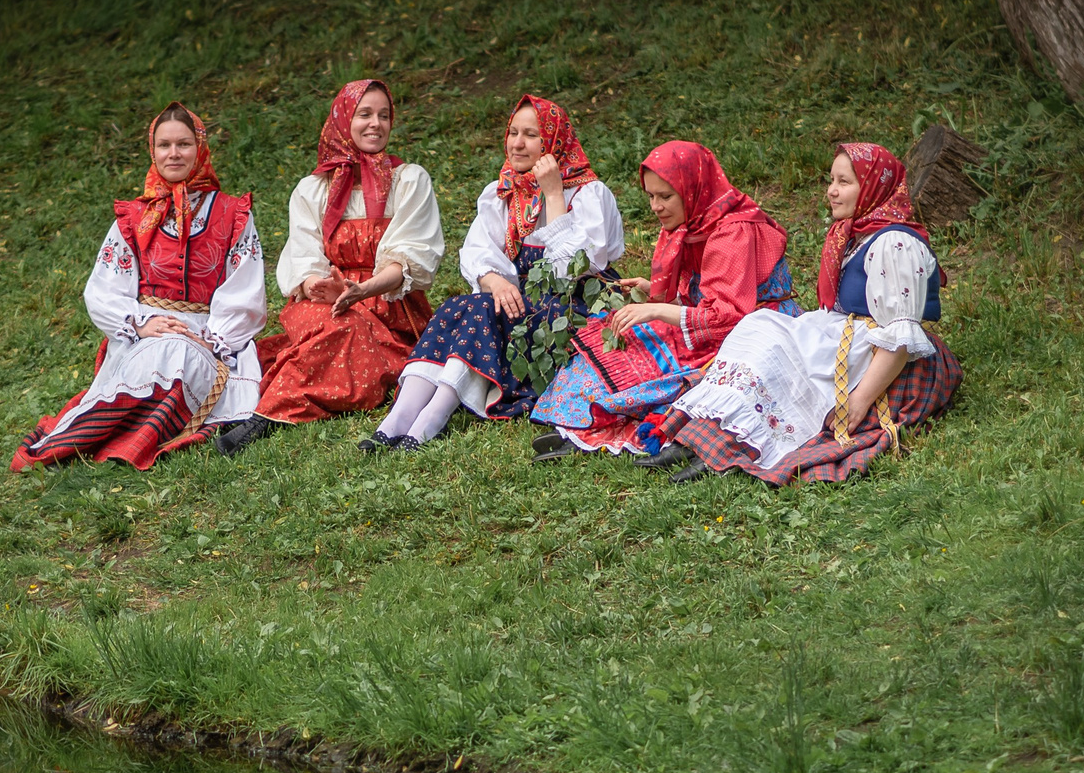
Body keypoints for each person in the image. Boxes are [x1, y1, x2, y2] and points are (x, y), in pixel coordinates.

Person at [652, 141, 959, 485]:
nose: (832, 191)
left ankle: (727, 452)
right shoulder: (857, 232)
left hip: (877, 351)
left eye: (844, 182)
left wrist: (858, 401)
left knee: (782, 362)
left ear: (874, 187)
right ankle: (705, 441)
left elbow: (900, 338)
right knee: (759, 331)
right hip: (843, 331)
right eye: (832, 180)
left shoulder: (896, 245)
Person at [12, 104, 265, 471]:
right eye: (165, 145)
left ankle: (131, 438)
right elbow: (103, 289)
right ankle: (91, 436)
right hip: (144, 330)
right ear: (153, 151)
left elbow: (246, 288)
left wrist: (213, 338)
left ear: (201, 149)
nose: (174, 154)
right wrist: (140, 324)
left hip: (206, 333)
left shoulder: (232, 213)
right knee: (162, 354)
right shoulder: (133, 219)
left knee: (179, 355)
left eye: (184, 144)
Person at [368, 95, 625, 451]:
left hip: (571, 310)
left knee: (482, 312)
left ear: (554, 142)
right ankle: (399, 418)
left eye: (532, 135)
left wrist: (553, 194)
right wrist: (493, 279)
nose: (517, 144)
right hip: (522, 303)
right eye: (513, 133)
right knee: (463, 307)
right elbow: (477, 251)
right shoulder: (502, 193)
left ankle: (429, 421)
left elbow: (576, 268)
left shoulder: (588, 193)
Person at [222, 80, 446, 455]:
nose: (376, 123)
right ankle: (266, 413)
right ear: (344, 120)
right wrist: (317, 287)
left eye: (384, 115)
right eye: (365, 114)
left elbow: (410, 256)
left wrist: (363, 290)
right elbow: (305, 258)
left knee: (349, 336)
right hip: (325, 300)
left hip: (388, 304)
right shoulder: (313, 189)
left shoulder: (409, 180)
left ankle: (262, 414)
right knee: (341, 326)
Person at [528, 140, 788, 461]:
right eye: (650, 196)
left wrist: (655, 308)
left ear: (693, 189)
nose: (656, 206)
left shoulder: (733, 232)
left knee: (673, 370)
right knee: (617, 335)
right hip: (710, 324)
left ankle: (600, 428)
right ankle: (577, 427)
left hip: (755, 329)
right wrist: (652, 290)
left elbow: (728, 315)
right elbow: (704, 294)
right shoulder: (690, 224)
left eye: (665, 196)